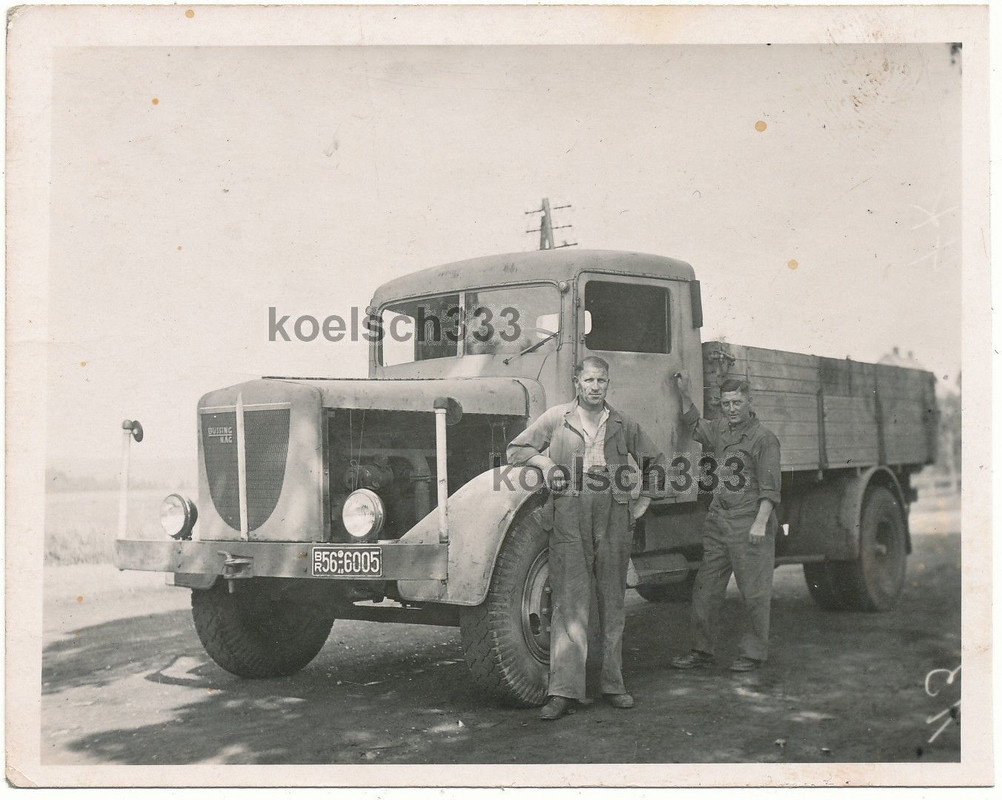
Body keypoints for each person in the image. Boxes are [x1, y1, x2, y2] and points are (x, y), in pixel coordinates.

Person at [507, 357, 664, 720]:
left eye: (602, 380)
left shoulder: (622, 423)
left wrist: (644, 500)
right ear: (577, 382)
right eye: (589, 380)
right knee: (569, 602)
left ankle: (613, 684)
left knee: (612, 601)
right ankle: (563, 692)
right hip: (569, 512)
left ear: (608, 383)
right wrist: (545, 465)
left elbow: (656, 460)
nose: (595, 387)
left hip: (613, 512)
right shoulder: (557, 418)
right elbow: (516, 450)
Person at [668, 373, 781, 672]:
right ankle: (701, 651)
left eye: (738, 402)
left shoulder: (764, 439)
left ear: (749, 402)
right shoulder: (719, 430)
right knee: (705, 588)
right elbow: (693, 423)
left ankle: (754, 653)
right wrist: (684, 393)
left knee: (754, 592)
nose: (732, 408)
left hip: (749, 521)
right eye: (726, 403)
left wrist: (760, 523)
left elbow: (770, 487)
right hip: (719, 521)